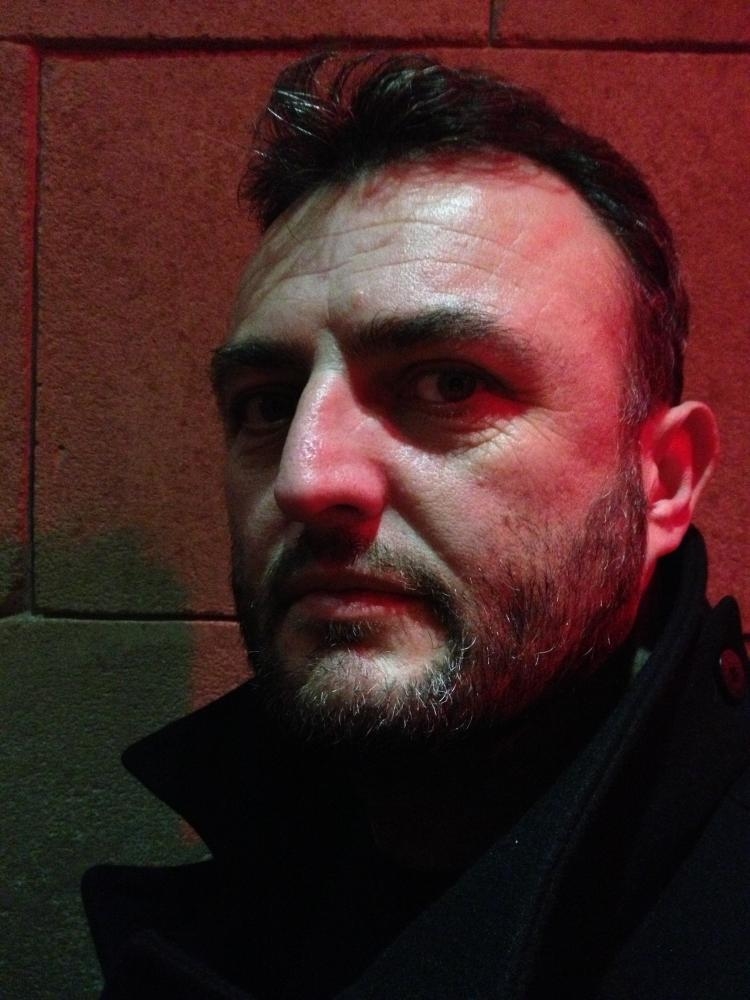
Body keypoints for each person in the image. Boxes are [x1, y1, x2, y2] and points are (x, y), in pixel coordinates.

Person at [83, 53, 750, 999]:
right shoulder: (221, 915)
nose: (306, 478)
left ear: (665, 482)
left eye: (449, 384)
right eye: (267, 404)